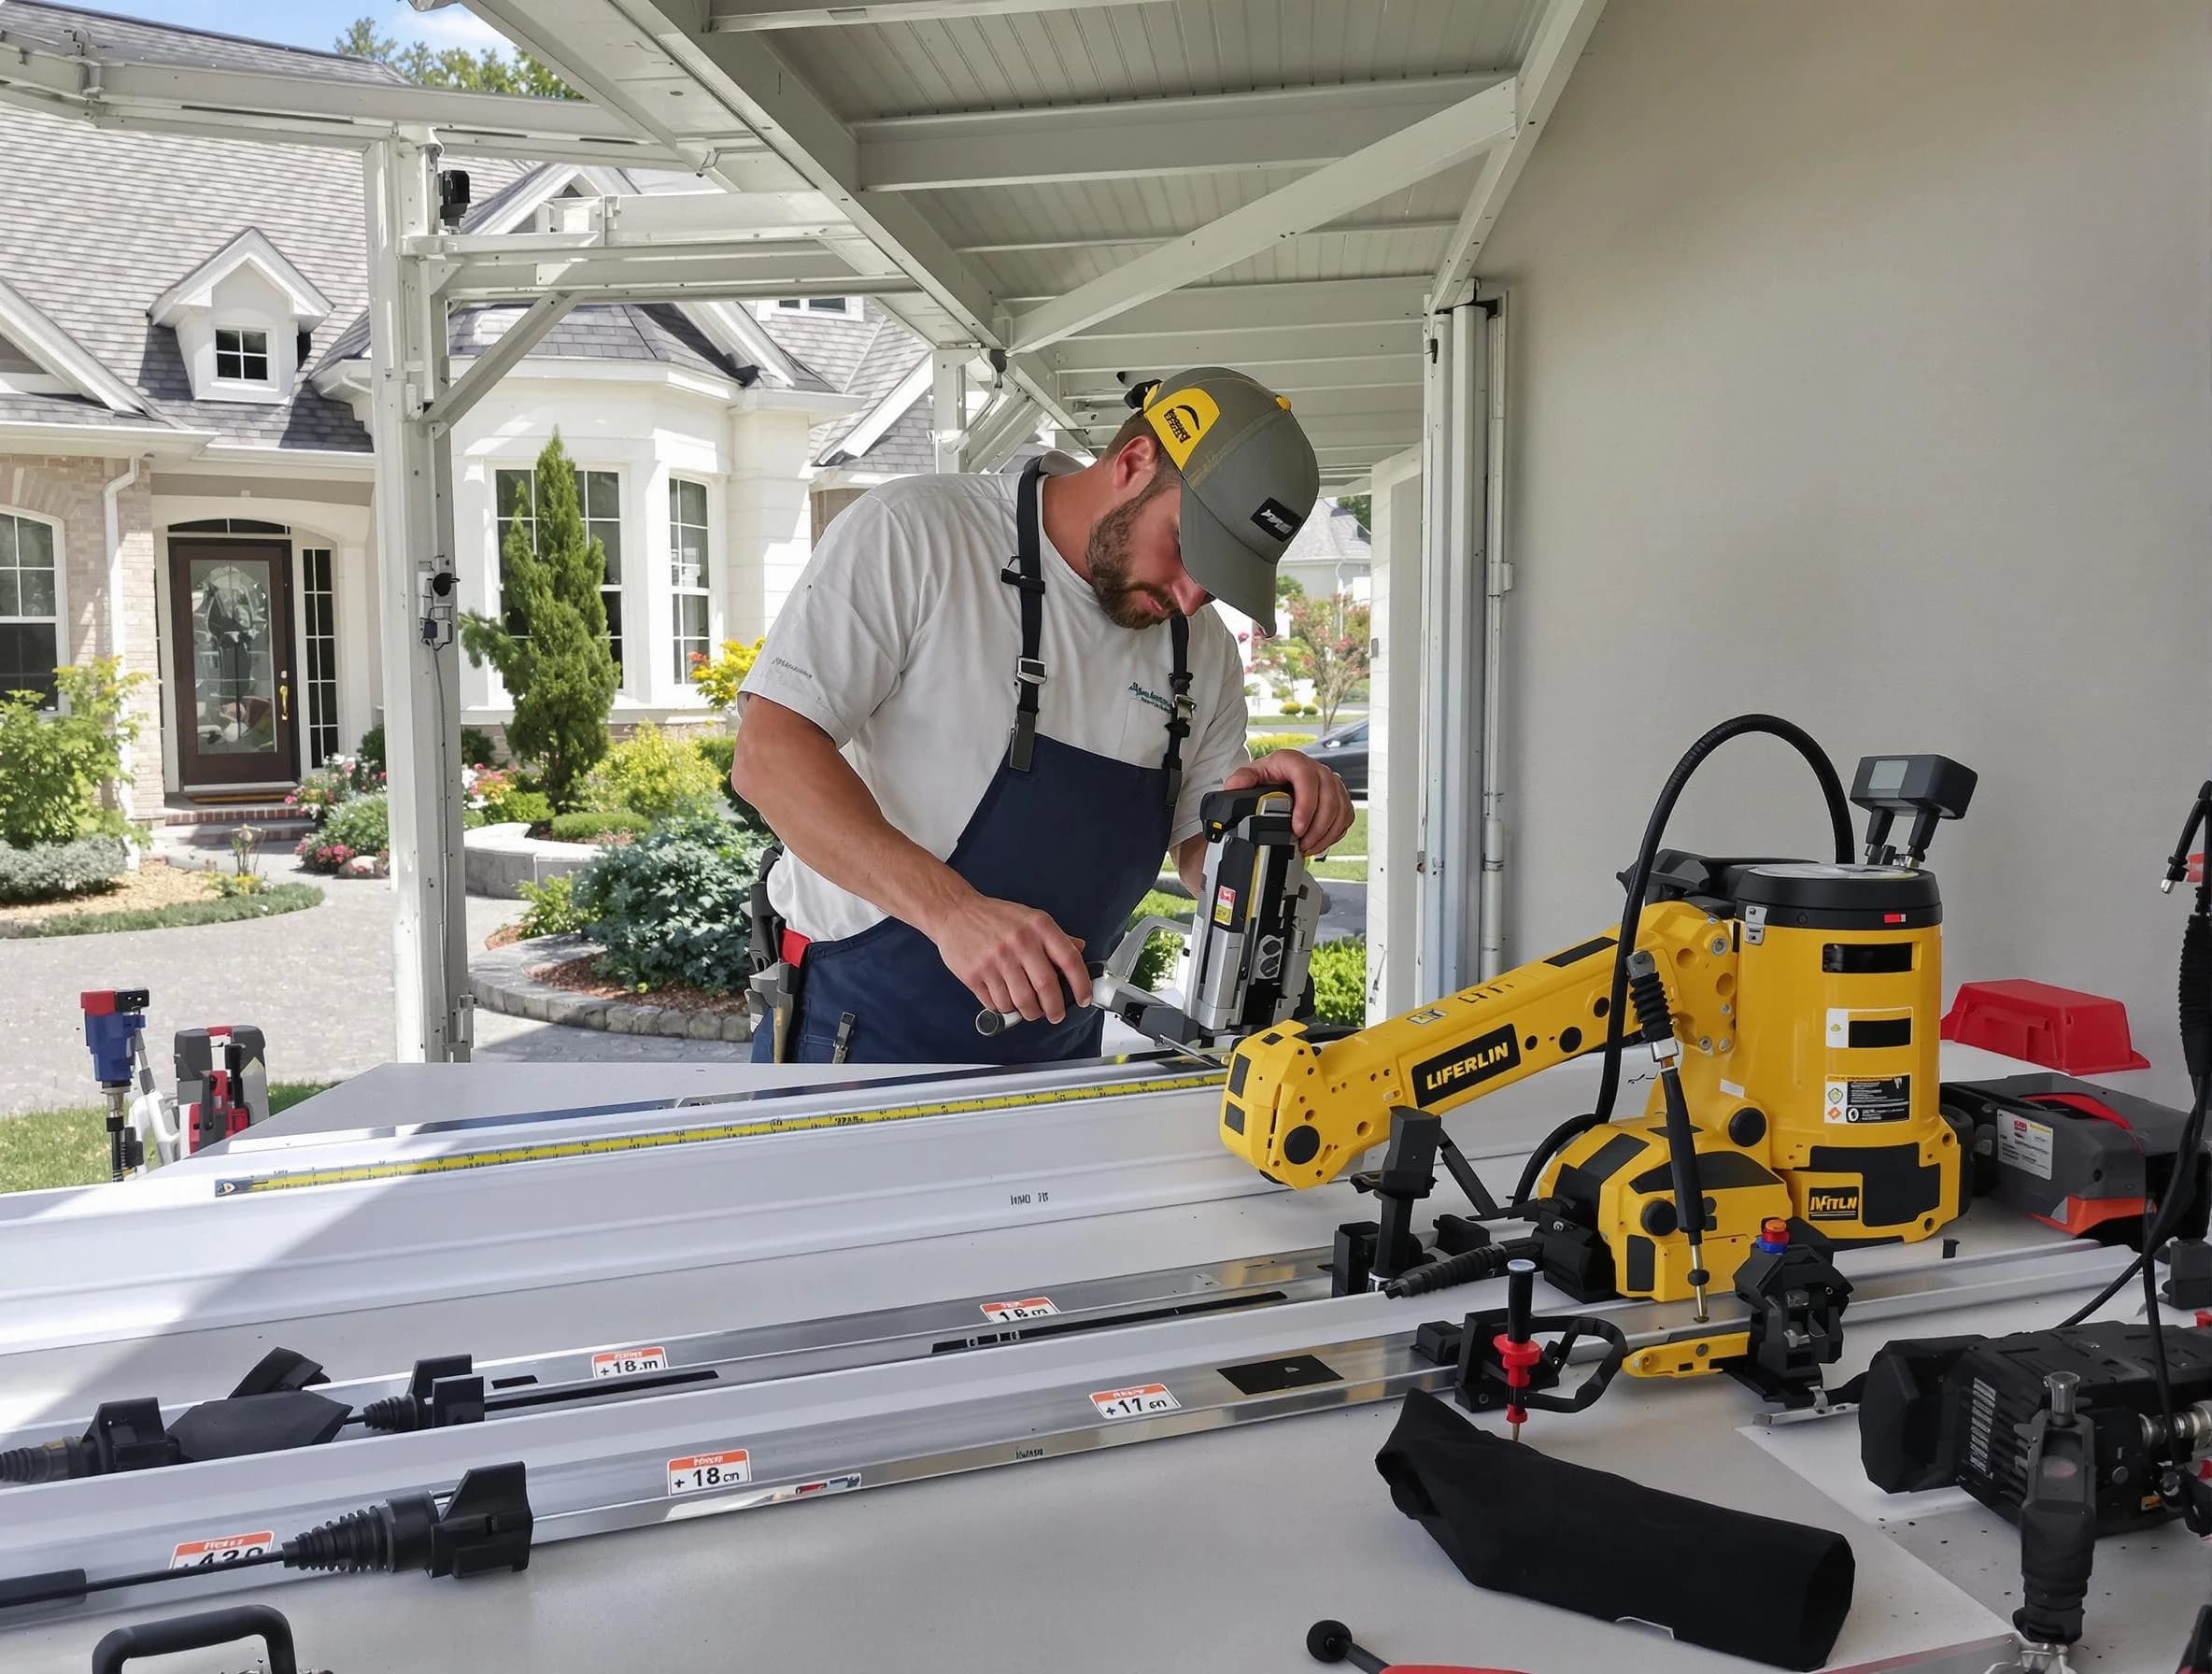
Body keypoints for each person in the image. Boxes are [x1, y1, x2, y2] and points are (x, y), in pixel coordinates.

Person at [730, 365, 1354, 1065]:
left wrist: (1261, 821)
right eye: (1187, 548)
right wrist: (952, 912)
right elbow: (769, 757)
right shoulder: (918, 534)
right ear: (1134, 462)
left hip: (1058, 1052)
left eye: (1219, 581)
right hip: (858, 1028)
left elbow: (1197, 850)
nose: (1188, 595)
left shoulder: (1200, 649)